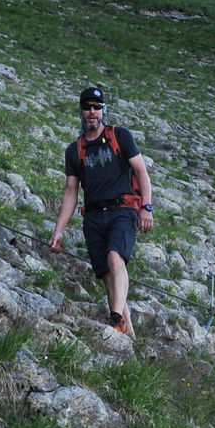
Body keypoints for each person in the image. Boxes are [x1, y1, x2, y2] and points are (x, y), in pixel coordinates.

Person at [49, 85, 154, 334]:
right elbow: (71, 191)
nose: (92, 112)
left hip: (123, 210)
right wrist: (58, 231)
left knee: (115, 257)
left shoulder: (120, 136)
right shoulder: (74, 151)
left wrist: (146, 207)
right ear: (81, 112)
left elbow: (141, 171)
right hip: (94, 216)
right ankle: (127, 336)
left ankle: (115, 317)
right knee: (108, 278)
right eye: (87, 107)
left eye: (96, 107)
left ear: (103, 110)